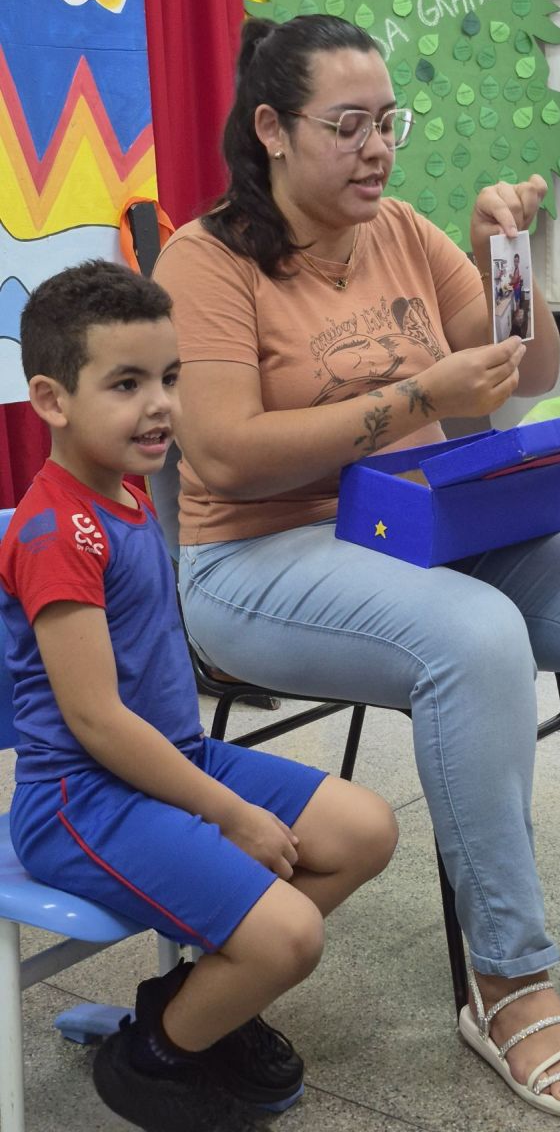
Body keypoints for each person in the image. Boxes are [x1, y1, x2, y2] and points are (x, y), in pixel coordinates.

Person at [153, 14, 560, 1119]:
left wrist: (503, 258)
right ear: (271, 129)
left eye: (388, 121)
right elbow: (225, 454)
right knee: (473, 637)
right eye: (347, 126)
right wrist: (414, 398)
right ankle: (507, 981)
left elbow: (521, 375)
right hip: (257, 557)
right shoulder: (205, 260)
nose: (378, 148)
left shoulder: (396, 228)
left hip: (419, 530)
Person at [0, 259, 398, 1132]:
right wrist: (230, 815)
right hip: (80, 800)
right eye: (127, 384)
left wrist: (217, 799)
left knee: (365, 829)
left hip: (170, 761)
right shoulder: (56, 530)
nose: (160, 406)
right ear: (52, 399)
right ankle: (155, 1057)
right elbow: (96, 721)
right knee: (291, 936)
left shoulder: (126, 494)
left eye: (170, 378)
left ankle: (193, 1007)